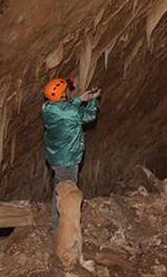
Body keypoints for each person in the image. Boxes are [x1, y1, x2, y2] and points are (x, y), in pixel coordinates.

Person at [42, 77, 100, 229]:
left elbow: (65, 109)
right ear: (62, 94)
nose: (69, 91)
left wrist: (79, 99)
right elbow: (89, 116)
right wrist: (93, 100)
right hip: (68, 159)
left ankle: (56, 222)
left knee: (59, 187)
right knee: (68, 191)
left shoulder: (47, 107)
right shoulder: (70, 112)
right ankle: (61, 226)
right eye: (67, 90)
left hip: (55, 156)